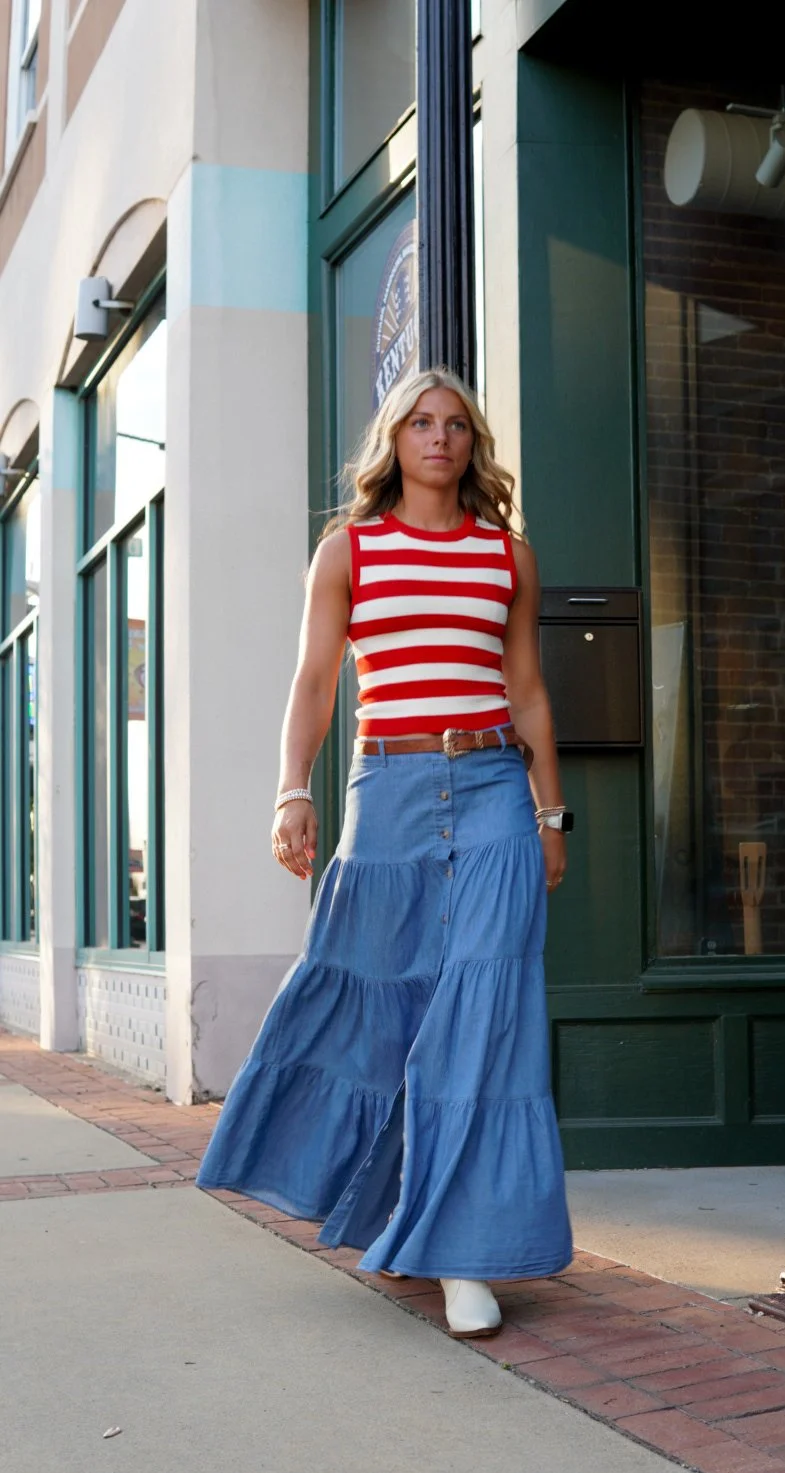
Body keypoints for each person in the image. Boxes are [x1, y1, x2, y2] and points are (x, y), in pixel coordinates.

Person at [196, 367, 574, 1339]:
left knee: (484, 1012)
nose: (439, 437)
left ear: (473, 443)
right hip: (389, 790)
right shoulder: (349, 550)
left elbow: (527, 690)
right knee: (375, 998)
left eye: (455, 424)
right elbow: (315, 681)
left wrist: (551, 813)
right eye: (420, 422)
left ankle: (461, 1250)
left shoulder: (507, 556)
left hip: (494, 788)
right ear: (394, 440)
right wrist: (292, 790)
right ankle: (394, 1205)